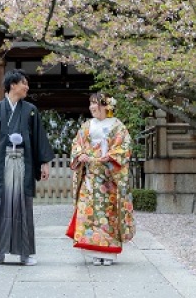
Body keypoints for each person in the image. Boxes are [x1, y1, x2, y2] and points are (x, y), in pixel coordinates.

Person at [0, 69, 55, 266]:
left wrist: (44, 163)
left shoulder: (31, 110)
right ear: (12, 85)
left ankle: (24, 254)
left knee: (22, 207)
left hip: (22, 164)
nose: (27, 87)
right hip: (1, 165)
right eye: (24, 83)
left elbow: (39, 139)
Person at [65, 92, 135, 266]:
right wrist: (80, 154)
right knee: (90, 214)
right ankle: (94, 251)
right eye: (90, 104)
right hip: (90, 176)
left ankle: (109, 253)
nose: (91, 107)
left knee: (108, 214)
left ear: (106, 105)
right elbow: (77, 144)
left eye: (95, 103)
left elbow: (125, 146)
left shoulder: (117, 126)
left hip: (109, 178)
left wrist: (110, 156)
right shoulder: (87, 125)